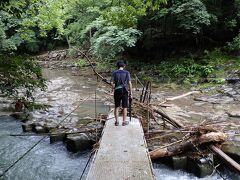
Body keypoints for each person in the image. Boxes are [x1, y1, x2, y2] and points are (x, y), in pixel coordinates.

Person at [111, 60, 132, 126]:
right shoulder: (126, 72)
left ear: (117, 66)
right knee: (125, 107)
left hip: (117, 90)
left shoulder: (114, 73)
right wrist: (131, 92)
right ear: (124, 66)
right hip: (125, 90)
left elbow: (112, 82)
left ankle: (117, 122)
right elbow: (129, 83)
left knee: (117, 106)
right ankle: (124, 122)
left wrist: (114, 88)